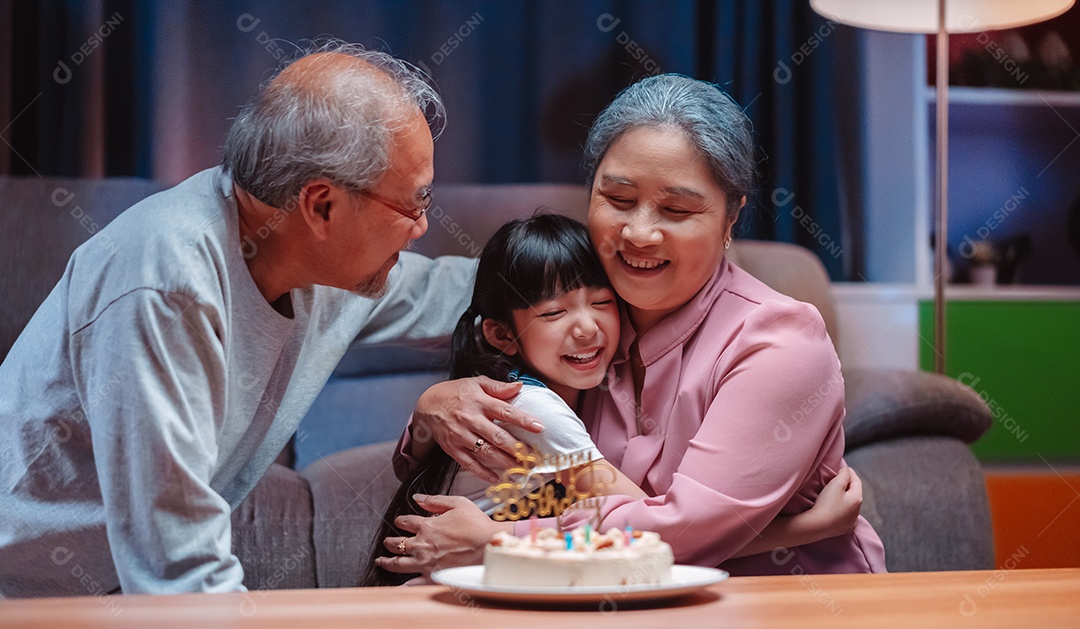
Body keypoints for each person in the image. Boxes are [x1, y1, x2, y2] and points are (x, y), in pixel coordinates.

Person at [0, 42, 493, 597]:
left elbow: (467, 290)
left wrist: (599, 264)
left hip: (112, 594)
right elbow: (181, 577)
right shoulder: (167, 284)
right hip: (26, 600)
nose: (422, 227)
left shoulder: (317, 262)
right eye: (414, 205)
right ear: (321, 205)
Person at [378, 74, 886, 578]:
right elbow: (454, 467)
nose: (639, 233)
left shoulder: (778, 341)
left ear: (732, 218)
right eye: (618, 200)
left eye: (677, 209)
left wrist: (500, 542)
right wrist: (434, 407)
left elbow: (688, 529)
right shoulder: (589, 328)